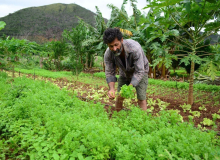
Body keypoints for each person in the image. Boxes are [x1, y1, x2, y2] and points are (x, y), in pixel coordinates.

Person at [103, 28, 149, 111]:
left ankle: (143, 121)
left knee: (141, 98)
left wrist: (129, 88)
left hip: (141, 71)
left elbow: (139, 71)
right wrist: (111, 89)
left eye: (116, 45)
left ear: (121, 40)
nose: (114, 49)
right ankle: (117, 117)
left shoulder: (135, 48)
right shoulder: (108, 54)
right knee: (119, 97)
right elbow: (109, 72)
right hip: (124, 72)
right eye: (111, 46)